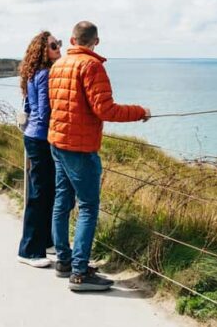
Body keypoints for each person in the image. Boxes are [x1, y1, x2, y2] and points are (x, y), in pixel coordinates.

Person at [49, 21, 150, 292]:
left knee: (62, 202)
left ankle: (64, 261)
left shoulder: (58, 65)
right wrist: (140, 111)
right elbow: (105, 109)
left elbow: (56, 104)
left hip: (58, 142)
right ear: (96, 41)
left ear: (72, 39)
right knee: (88, 207)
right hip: (80, 147)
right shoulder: (92, 66)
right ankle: (80, 273)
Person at [17, 31, 62, 268]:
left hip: (33, 136)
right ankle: (29, 250)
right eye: (54, 46)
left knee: (46, 193)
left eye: (59, 44)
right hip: (41, 138)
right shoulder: (45, 74)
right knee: (40, 195)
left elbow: (29, 105)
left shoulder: (33, 72)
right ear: (43, 50)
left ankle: (45, 241)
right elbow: (45, 112)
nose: (58, 49)